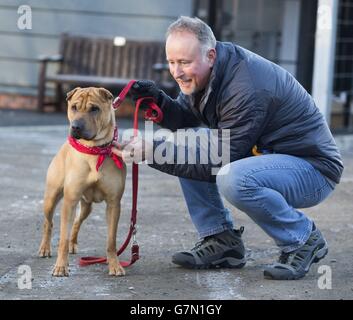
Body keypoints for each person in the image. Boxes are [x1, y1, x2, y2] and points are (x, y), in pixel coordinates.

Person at [112, 16, 343, 280]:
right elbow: (187, 122)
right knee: (187, 141)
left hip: (312, 170)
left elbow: (220, 157)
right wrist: (159, 102)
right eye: (172, 62)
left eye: (184, 63)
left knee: (232, 178)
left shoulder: (246, 86)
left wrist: (151, 152)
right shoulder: (207, 73)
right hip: (265, 157)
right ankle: (221, 240)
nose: (176, 72)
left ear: (210, 55)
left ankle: (302, 239)